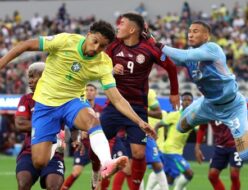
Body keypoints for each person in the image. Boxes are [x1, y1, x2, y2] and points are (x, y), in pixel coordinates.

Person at [0, 20, 156, 179]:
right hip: (45, 104)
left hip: (71, 102)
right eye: (94, 41)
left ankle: (107, 163)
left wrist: (139, 121)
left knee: (93, 120)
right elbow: (25, 45)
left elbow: (117, 99)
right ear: (88, 36)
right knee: (40, 162)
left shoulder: (103, 63)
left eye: (102, 46)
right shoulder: (65, 41)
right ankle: (58, 140)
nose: (96, 48)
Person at [100, 12, 179, 190]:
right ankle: (98, 184)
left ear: (132, 29)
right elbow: (99, 66)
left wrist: (174, 93)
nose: (118, 26)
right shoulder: (113, 46)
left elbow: (171, 66)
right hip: (114, 104)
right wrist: (111, 70)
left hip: (137, 107)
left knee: (139, 152)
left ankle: (135, 187)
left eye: (122, 24)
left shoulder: (149, 49)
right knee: (98, 144)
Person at [159, 20, 248, 160]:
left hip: (232, 107)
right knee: (180, 127)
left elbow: (183, 56)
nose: (190, 34)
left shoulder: (212, 48)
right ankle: (201, 104)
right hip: (208, 105)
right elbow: (170, 59)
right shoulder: (189, 55)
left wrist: (158, 45)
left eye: (195, 31)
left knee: (245, 154)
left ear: (206, 36)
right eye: (189, 31)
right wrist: (149, 47)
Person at [15, 62, 65, 190]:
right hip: (29, 151)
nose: (30, 81)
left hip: (54, 153)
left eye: (33, 77)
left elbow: (73, 123)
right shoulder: (26, 99)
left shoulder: (60, 99)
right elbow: (20, 124)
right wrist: (49, 125)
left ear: (45, 78)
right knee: (23, 184)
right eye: (29, 77)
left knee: (53, 187)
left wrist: (76, 137)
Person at [148, 92, 194, 190]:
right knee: (189, 173)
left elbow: (200, 129)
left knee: (169, 179)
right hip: (170, 151)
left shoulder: (193, 117)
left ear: (192, 102)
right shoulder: (175, 115)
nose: (186, 102)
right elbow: (159, 124)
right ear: (181, 102)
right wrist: (154, 135)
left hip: (177, 151)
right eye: (184, 100)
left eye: (189, 100)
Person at [61, 83, 103, 190]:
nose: (89, 92)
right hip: (84, 146)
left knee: (97, 177)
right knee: (76, 172)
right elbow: (72, 124)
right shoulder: (78, 108)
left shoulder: (101, 110)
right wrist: (80, 132)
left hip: (97, 147)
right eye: (87, 90)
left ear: (96, 93)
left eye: (91, 90)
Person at [195, 121, 243, 190]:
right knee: (212, 175)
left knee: (234, 175)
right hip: (220, 146)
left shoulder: (233, 109)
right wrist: (197, 147)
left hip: (237, 143)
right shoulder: (207, 111)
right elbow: (202, 127)